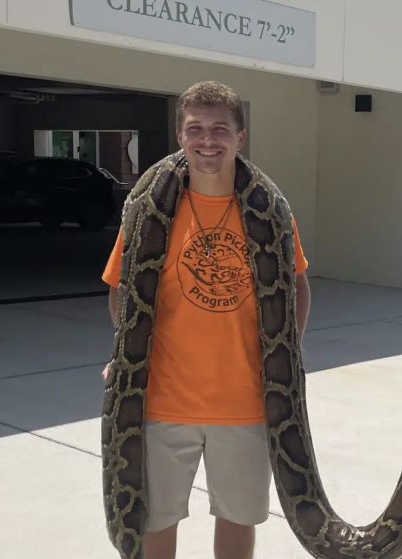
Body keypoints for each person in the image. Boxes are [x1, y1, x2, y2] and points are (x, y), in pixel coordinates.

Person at [100, 81, 311, 559]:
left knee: (238, 523)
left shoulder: (271, 212)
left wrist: (285, 361)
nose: (208, 140)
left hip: (245, 403)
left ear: (241, 136)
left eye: (220, 129)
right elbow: (121, 292)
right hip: (160, 403)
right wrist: (127, 354)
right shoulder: (150, 211)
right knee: (153, 522)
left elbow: (296, 288)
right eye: (196, 129)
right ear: (180, 135)